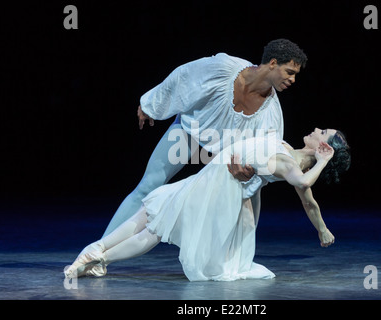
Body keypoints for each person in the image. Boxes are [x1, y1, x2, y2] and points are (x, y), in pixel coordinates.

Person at [64, 128, 351, 281]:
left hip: (218, 186)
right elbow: (307, 197)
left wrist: (322, 227)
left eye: (322, 132)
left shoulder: (291, 163)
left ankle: (97, 256)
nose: (316, 128)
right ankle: (97, 255)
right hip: (214, 177)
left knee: (157, 223)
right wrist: (322, 231)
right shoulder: (288, 151)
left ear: (323, 148)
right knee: (155, 212)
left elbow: (304, 189)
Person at [102, 39, 308, 239]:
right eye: (289, 72)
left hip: (224, 153)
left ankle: (230, 258)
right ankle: (96, 250)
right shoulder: (226, 68)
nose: (293, 80)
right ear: (272, 63)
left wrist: (250, 170)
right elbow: (185, 76)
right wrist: (151, 105)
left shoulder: (271, 113)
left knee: (237, 203)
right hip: (192, 128)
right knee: (148, 185)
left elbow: (268, 150)